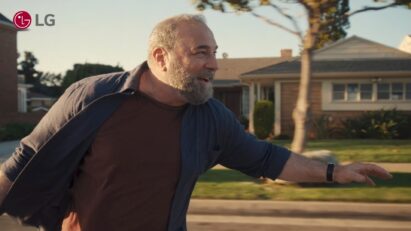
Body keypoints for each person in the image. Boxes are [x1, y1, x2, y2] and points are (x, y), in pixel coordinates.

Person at [0, 14, 391, 231]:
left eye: (216, 52)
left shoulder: (211, 117)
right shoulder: (93, 97)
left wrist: (333, 173)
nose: (214, 64)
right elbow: (25, 161)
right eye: (201, 52)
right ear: (161, 56)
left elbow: (266, 159)